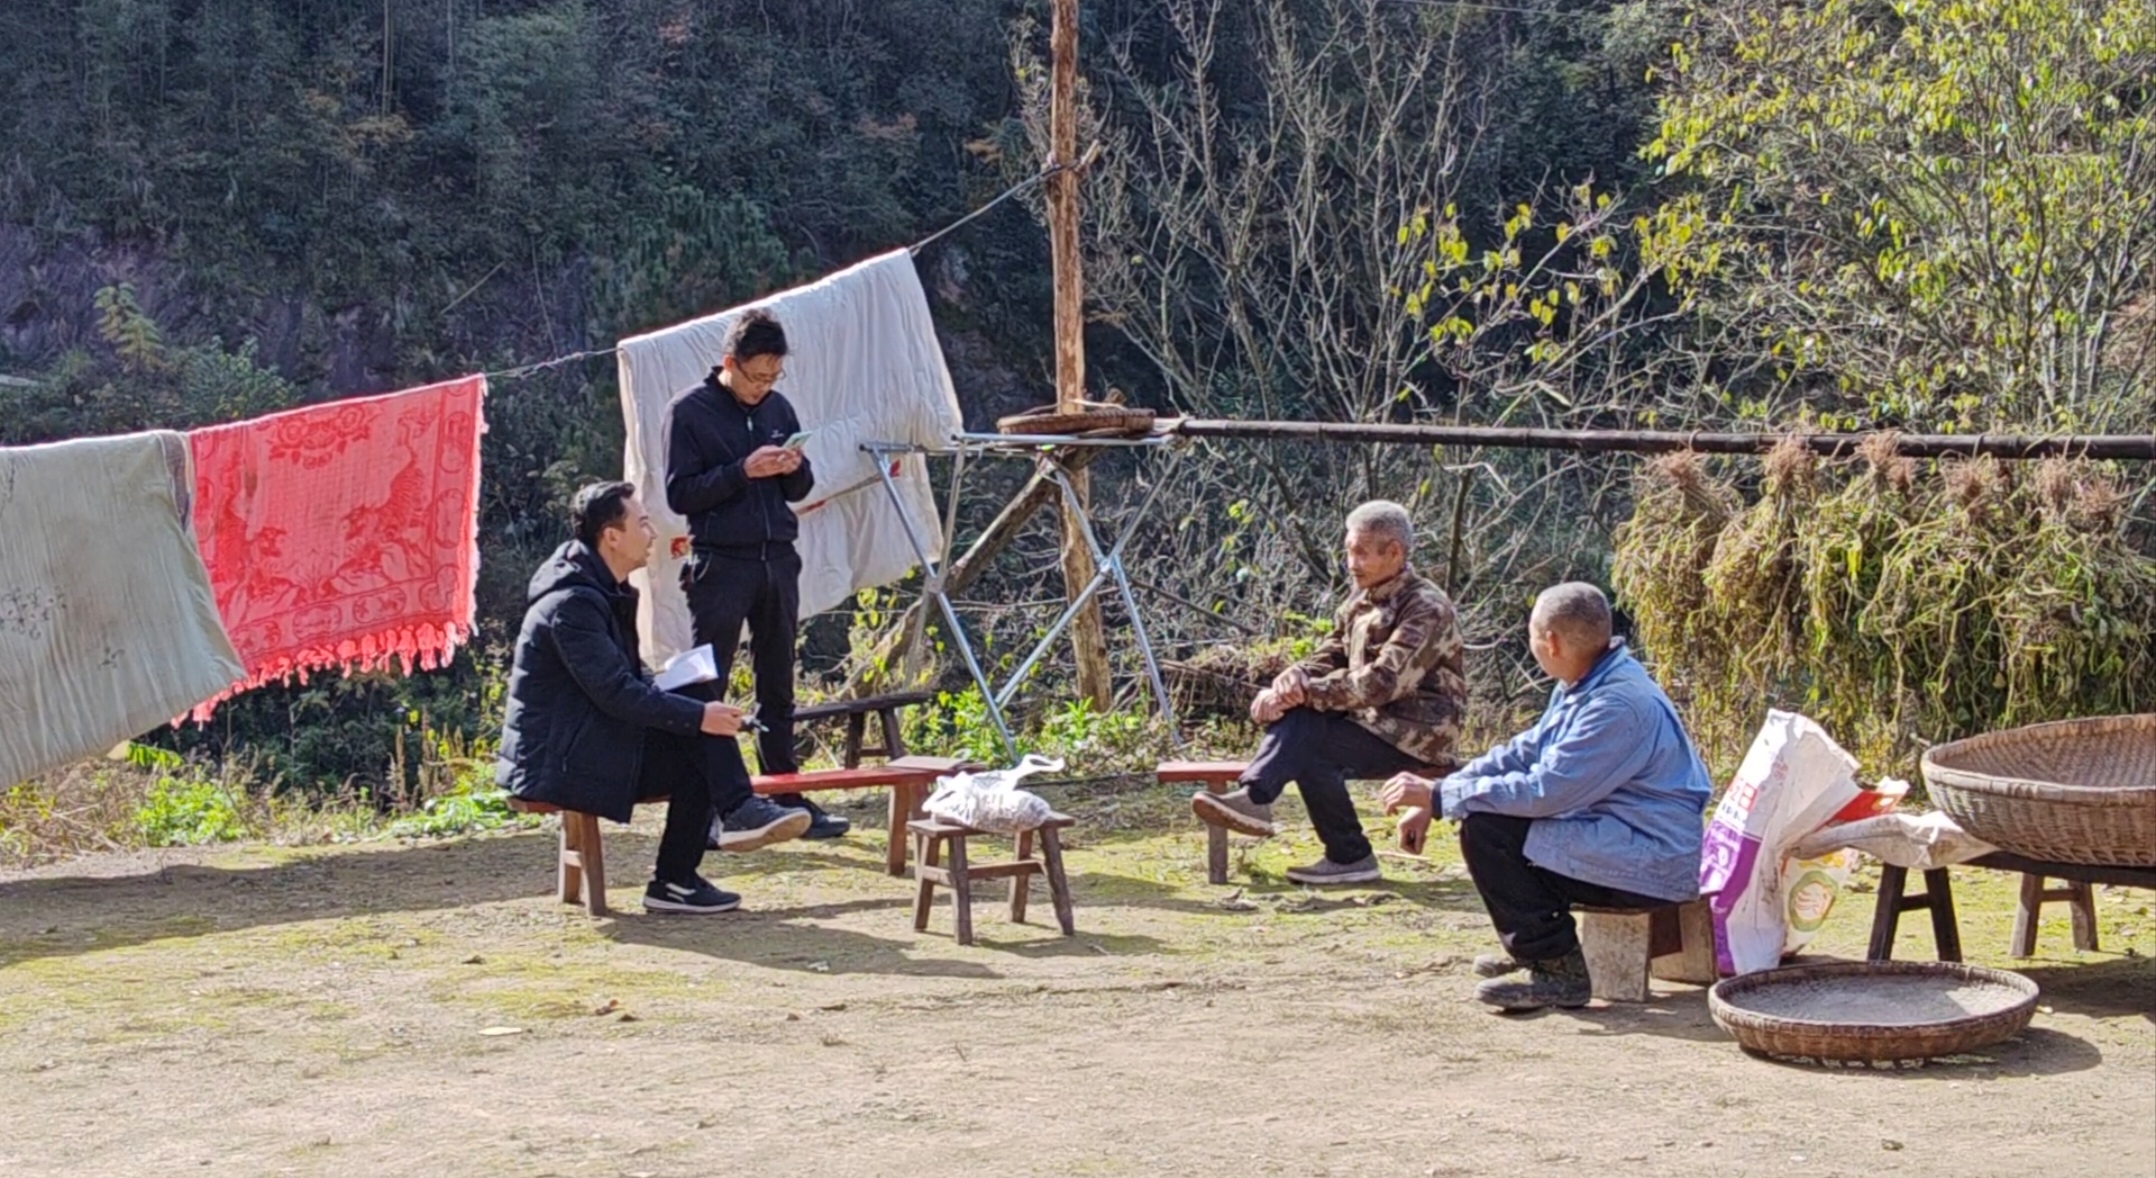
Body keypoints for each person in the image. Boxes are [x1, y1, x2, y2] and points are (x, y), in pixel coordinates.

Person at [1379, 582, 1712, 1011]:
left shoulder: (1616, 705)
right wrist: (1438, 796)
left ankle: (1556, 967)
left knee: (1489, 830)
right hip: (1615, 839)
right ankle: (1534, 951)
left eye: (1532, 634)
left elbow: (1545, 791)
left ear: (1550, 642)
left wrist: (1442, 795)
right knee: (1487, 815)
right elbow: (1525, 752)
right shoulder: (1585, 681)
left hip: (1650, 862)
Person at [496, 482, 811, 914]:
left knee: (695, 715)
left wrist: (689, 701)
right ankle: (729, 820)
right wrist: (697, 715)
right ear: (612, 536)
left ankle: (681, 876)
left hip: (587, 741)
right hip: (556, 760)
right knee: (696, 729)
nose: (653, 534)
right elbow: (615, 692)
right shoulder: (573, 604)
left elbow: (629, 678)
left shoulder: (603, 589)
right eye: (643, 523)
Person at [1188, 500, 1467, 885]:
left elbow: (1382, 683)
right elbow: (1332, 651)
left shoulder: (1425, 607)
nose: (1351, 563)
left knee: (1310, 744)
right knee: (1304, 723)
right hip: (1371, 723)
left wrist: (1304, 692)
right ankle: (1262, 803)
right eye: (1349, 551)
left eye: (1362, 553)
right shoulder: (1361, 598)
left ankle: (1341, 851)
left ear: (1394, 553)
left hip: (1418, 734)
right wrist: (1295, 677)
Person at [662, 308, 848, 840]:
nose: (763, 387)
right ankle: (712, 806)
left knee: (778, 682)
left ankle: (785, 797)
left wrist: (794, 467)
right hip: (720, 561)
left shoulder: (778, 408)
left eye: (773, 376)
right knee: (708, 686)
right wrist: (742, 471)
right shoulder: (689, 411)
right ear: (730, 363)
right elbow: (680, 494)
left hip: (778, 558)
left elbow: (800, 490)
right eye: (756, 377)